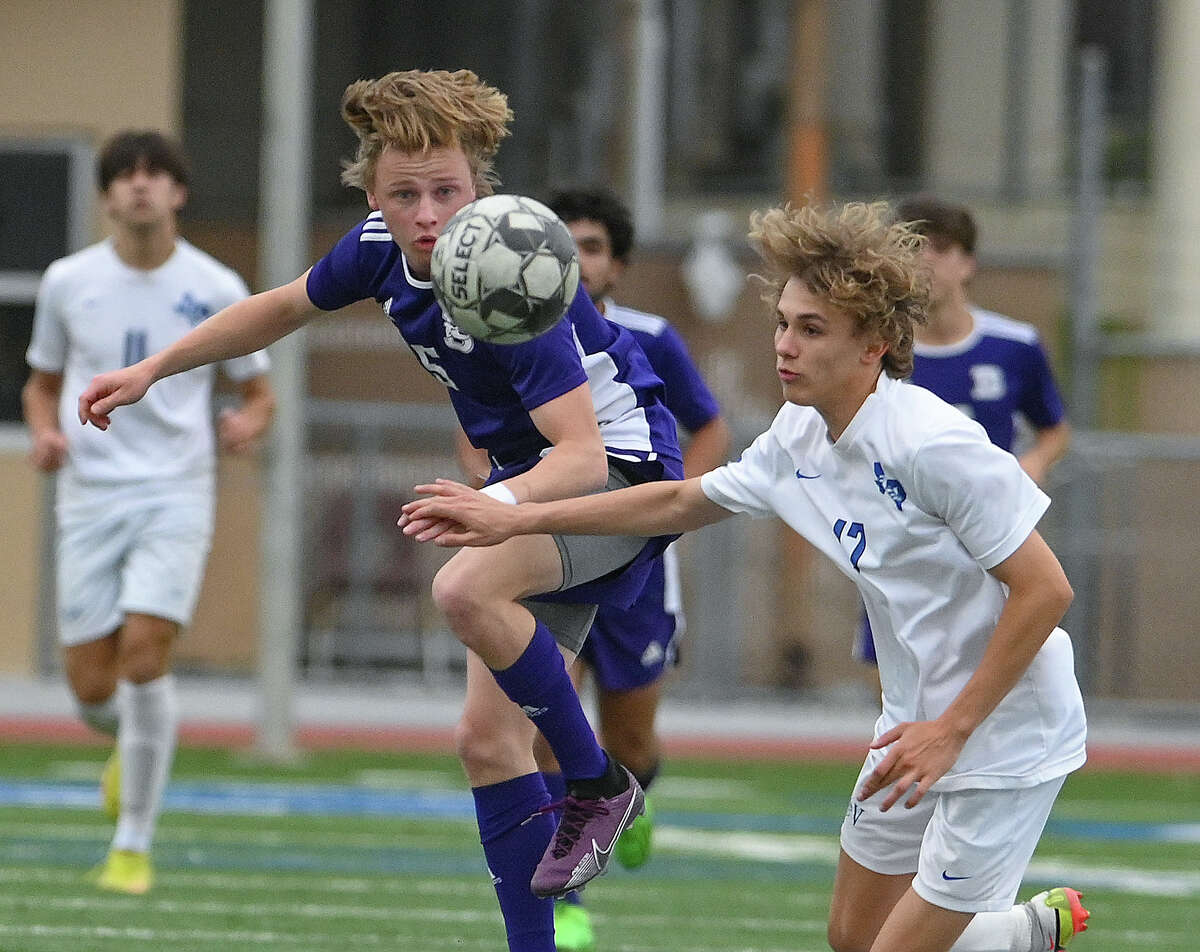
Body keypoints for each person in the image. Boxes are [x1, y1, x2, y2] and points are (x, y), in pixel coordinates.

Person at [76, 71, 683, 952]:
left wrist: (497, 505)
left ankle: (596, 781)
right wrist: (152, 370)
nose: (430, 212)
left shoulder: (513, 272)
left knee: (466, 589)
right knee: (485, 742)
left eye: (449, 190)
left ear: (480, 189)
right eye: (406, 194)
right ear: (373, 196)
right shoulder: (374, 248)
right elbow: (278, 309)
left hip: (621, 478)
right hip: (537, 479)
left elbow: (587, 454)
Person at [400, 200, 1093, 952]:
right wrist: (515, 517)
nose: (785, 346)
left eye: (813, 329)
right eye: (784, 323)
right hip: (912, 721)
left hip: (1003, 734)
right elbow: (673, 500)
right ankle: (1030, 934)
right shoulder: (799, 435)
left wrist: (952, 733)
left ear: (876, 345)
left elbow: (1046, 589)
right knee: (852, 937)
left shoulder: (932, 444)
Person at [22, 129, 275, 895]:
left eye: (153, 174)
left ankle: (133, 844)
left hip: (175, 488)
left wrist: (244, 424)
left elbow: (258, 392)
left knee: (144, 654)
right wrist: (43, 430)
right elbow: (42, 382)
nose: (139, 186)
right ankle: (126, 746)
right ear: (105, 196)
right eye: (124, 175)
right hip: (89, 494)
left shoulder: (216, 284)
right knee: (93, 688)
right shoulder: (69, 281)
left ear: (178, 192)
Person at [539, 186, 734, 951]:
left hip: (637, 567)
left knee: (632, 739)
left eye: (592, 247)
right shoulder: (513, 332)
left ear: (616, 264)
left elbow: (709, 423)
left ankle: (632, 793)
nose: (577, 261)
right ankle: (569, 898)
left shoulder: (650, 336)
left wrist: (675, 507)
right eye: (564, 244)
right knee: (546, 729)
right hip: (552, 555)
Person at [854, 196, 1071, 668]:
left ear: (967, 263)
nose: (924, 258)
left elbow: (1054, 428)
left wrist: (1032, 463)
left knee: (989, 695)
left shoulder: (1013, 346)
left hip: (987, 546)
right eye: (910, 246)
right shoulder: (875, 352)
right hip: (900, 550)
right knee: (896, 708)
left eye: (940, 246)